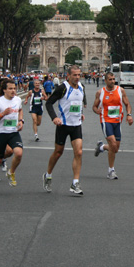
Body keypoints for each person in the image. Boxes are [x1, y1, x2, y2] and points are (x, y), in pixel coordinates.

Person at [42, 66, 86, 195]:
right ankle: (48, 174)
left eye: (79, 75)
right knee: (58, 152)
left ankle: (75, 182)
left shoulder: (82, 87)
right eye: (74, 75)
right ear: (68, 75)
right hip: (63, 125)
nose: (77, 77)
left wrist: (80, 113)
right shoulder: (63, 88)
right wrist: (54, 117)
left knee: (78, 152)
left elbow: (78, 102)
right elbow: (49, 103)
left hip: (76, 125)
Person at [92, 72, 133, 179]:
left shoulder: (120, 90)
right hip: (106, 121)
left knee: (115, 148)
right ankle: (111, 170)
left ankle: (101, 147)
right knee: (113, 144)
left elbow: (127, 104)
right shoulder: (100, 92)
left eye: (113, 79)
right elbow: (94, 107)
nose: (112, 81)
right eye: (110, 79)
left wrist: (129, 115)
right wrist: (97, 111)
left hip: (117, 121)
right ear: (105, 81)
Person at [0, 79, 24, 193]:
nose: (13, 91)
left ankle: (11, 172)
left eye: (14, 88)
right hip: (1, 133)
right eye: (10, 89)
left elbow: (20, 110)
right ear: (4, 90)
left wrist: (21, 121)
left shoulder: (18, 100)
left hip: (13, 132)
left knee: (18, 153)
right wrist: (3, 113)